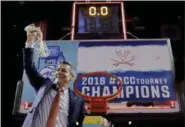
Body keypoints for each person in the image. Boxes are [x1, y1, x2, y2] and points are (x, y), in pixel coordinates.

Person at [22, 26, 87, 127]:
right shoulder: (43, 85)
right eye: (58, 70)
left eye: (64, 70)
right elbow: (29, 67)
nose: (59, 72)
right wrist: (30, 41)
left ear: (71, 77)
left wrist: (102, 122)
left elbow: (83, 121)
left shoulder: (78, 99)